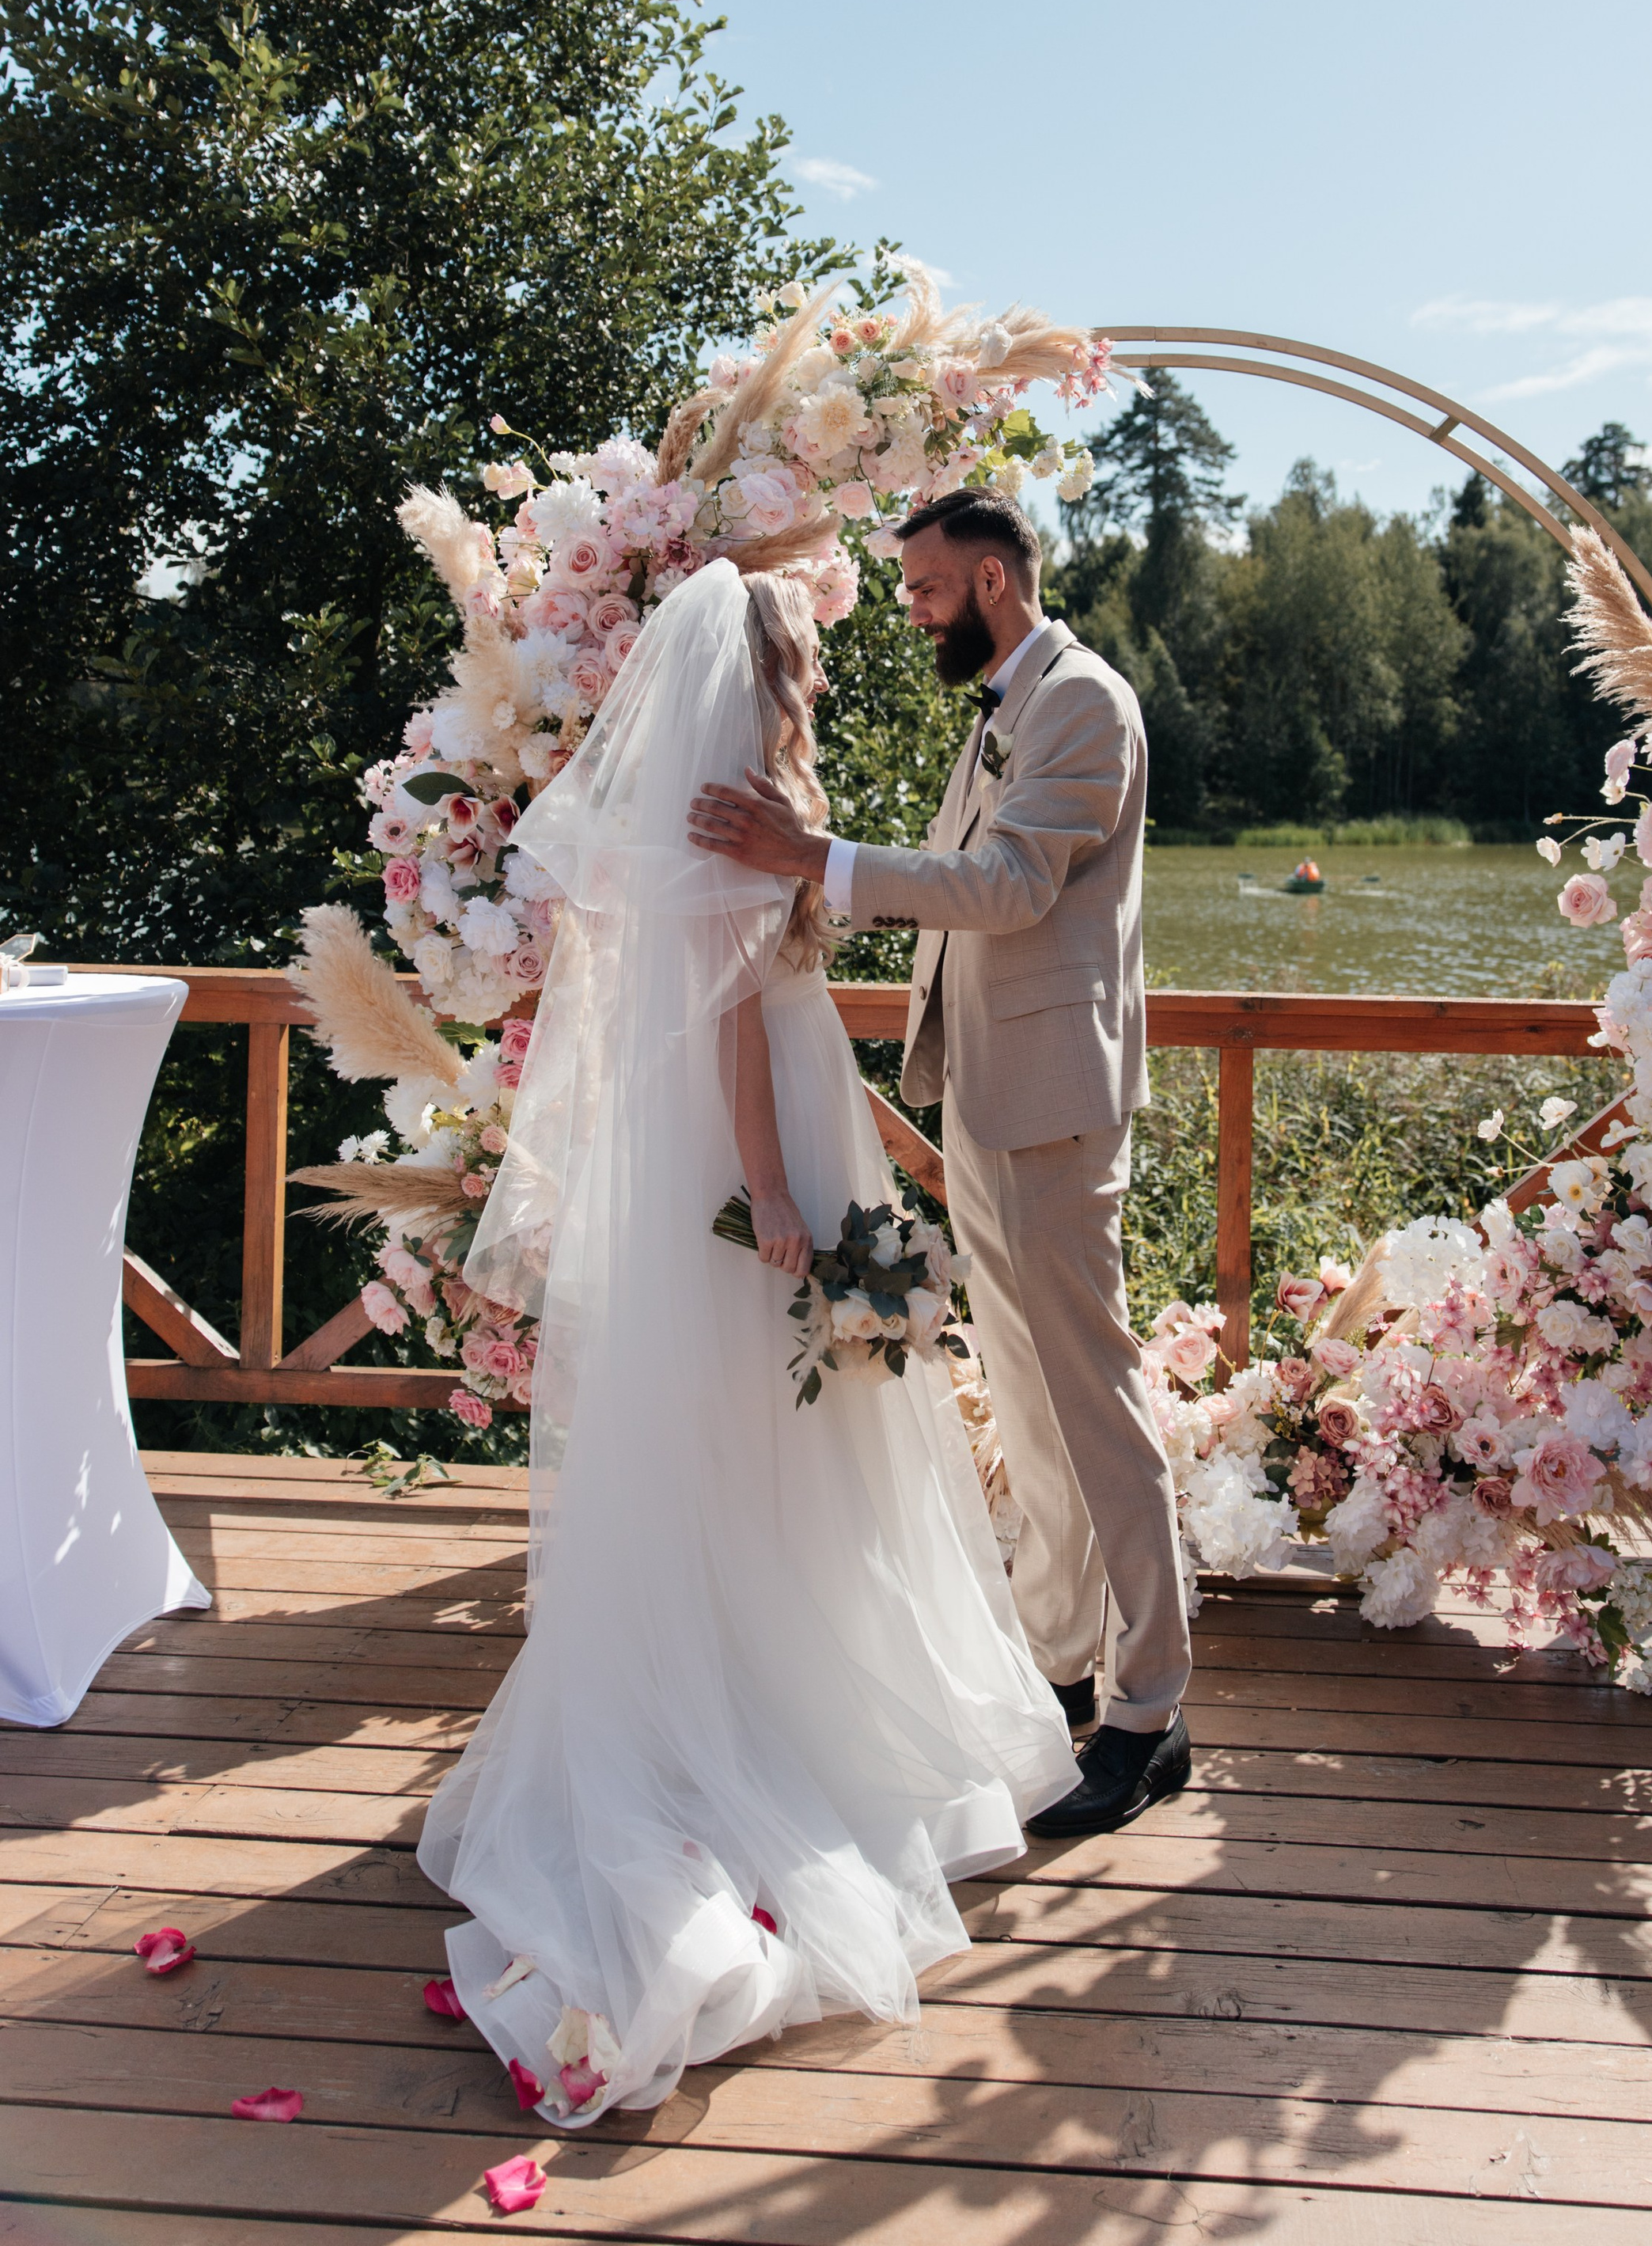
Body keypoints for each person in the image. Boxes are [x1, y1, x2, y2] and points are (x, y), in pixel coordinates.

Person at [417, 556, 1078, 2128]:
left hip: (771, 1114)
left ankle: (762, 1665)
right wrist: (773, 1189)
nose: (829, 673)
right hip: (754, 1133)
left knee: (781, 1420)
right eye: (812, 652)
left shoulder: (743, 792)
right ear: (767, 666)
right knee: (777, 1414)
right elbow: (723, 1002)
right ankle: (761, 1707)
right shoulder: (737, 794)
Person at [688, 488, 1192, 1838]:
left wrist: (812, 856)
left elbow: (1012, 888)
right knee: (1028, 1401)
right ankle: (1061, 1662)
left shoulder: (1084, 703)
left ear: (991, 581)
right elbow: (959, 887)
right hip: (984, 1092)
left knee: (1094, 1400)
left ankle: (1152, 1708)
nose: (911, 612)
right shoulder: (1004, 709)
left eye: (922, 588)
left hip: (1054, 1104)